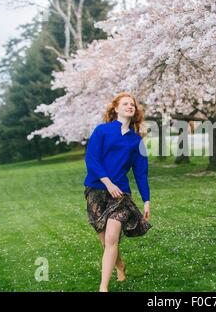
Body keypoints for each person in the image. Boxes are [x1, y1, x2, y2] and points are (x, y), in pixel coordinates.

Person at [83, 91, 152, 292]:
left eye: (132, 104)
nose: (130, 106)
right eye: (125, 104)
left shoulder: (136, 141)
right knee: (106, 241)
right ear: (116, 109)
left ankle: (103, 288)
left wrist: (146, 200)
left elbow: (141, 173)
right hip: (96, 190)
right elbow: (91, 160)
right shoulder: (102, 131)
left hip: (120, 194)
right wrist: (107, 182)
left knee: (112, 238)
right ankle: (120, 264)